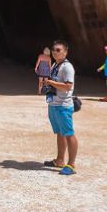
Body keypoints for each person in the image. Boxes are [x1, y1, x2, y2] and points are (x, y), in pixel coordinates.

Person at [41, 40, 78, 176]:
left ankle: (72, 164)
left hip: (63, 105)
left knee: (68, 134)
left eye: (58, 50)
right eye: (53, 50)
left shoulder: (67, 67)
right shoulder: (56, 65)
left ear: (65, 52)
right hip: (54, 104)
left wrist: (51, 82)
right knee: (60, 133)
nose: (55, 52)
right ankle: (60, 160)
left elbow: (68, 86)